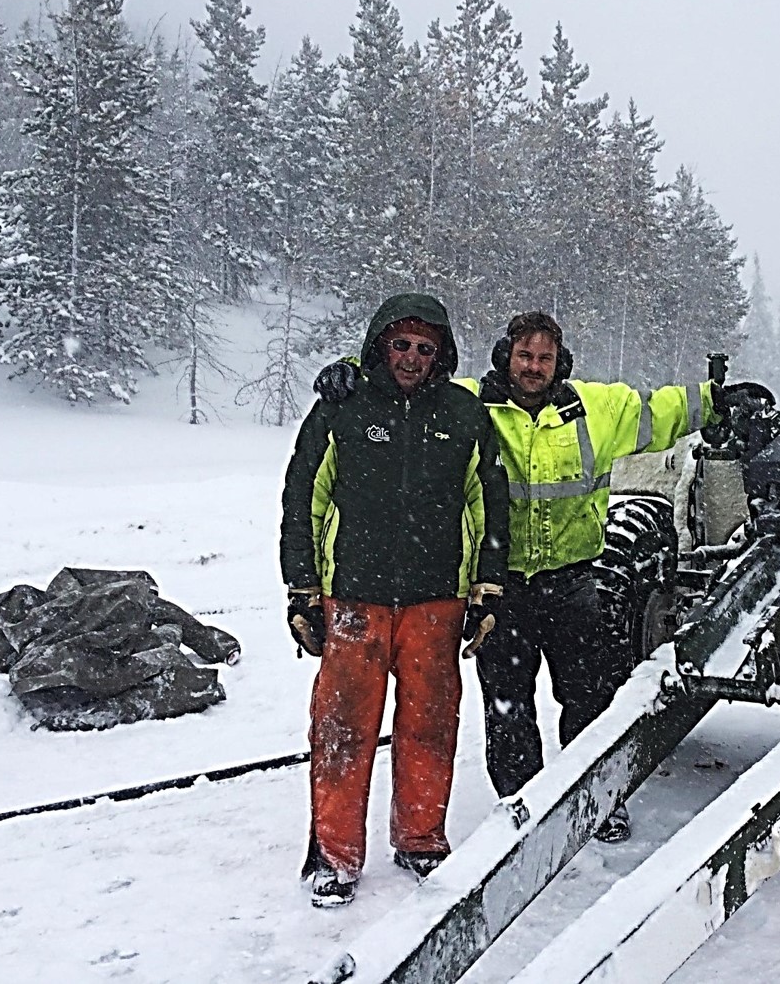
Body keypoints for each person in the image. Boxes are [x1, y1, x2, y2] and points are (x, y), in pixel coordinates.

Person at [315, 311, 757, 843]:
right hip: (502, 590)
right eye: (525, 355)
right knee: (508, 707)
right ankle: (524, 805)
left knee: (591, 698)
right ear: (506, 355)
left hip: (574, 584)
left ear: (559, 362)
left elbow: (660, 409)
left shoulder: (597, 408)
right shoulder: (469, 404)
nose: (534, 367)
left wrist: (717, 398)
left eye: (545, 358)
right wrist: (350, 372)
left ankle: (599, 797)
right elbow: (408, 378)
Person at [281, 293, 509, 908]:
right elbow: (304, 495)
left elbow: (489, 502)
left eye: (424, 348)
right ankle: (332, 855)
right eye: (401, 344)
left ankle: (421, 839)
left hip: (437, 602)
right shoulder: (343, 406)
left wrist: (487, 589)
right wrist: (301, 591)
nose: (411, 358)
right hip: (352, 598)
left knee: (431, 727)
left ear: (441, 355)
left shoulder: (463, 414)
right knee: (341, 731)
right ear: (382, 343)